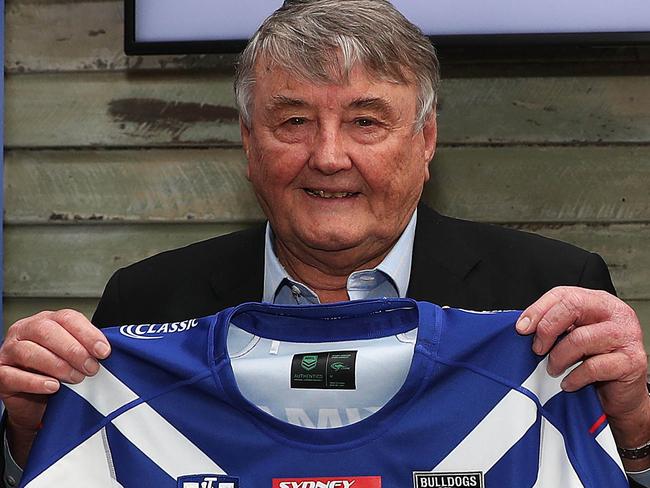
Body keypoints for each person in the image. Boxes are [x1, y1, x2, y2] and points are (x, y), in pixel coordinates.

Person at [0, 0, 648, 486]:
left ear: (425, 144)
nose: (329, 157)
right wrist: (37, 430)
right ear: (249, 145)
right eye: (294, 121)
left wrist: (637, 427)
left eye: (366, 121)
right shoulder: (144, 302)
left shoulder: (546, 299)